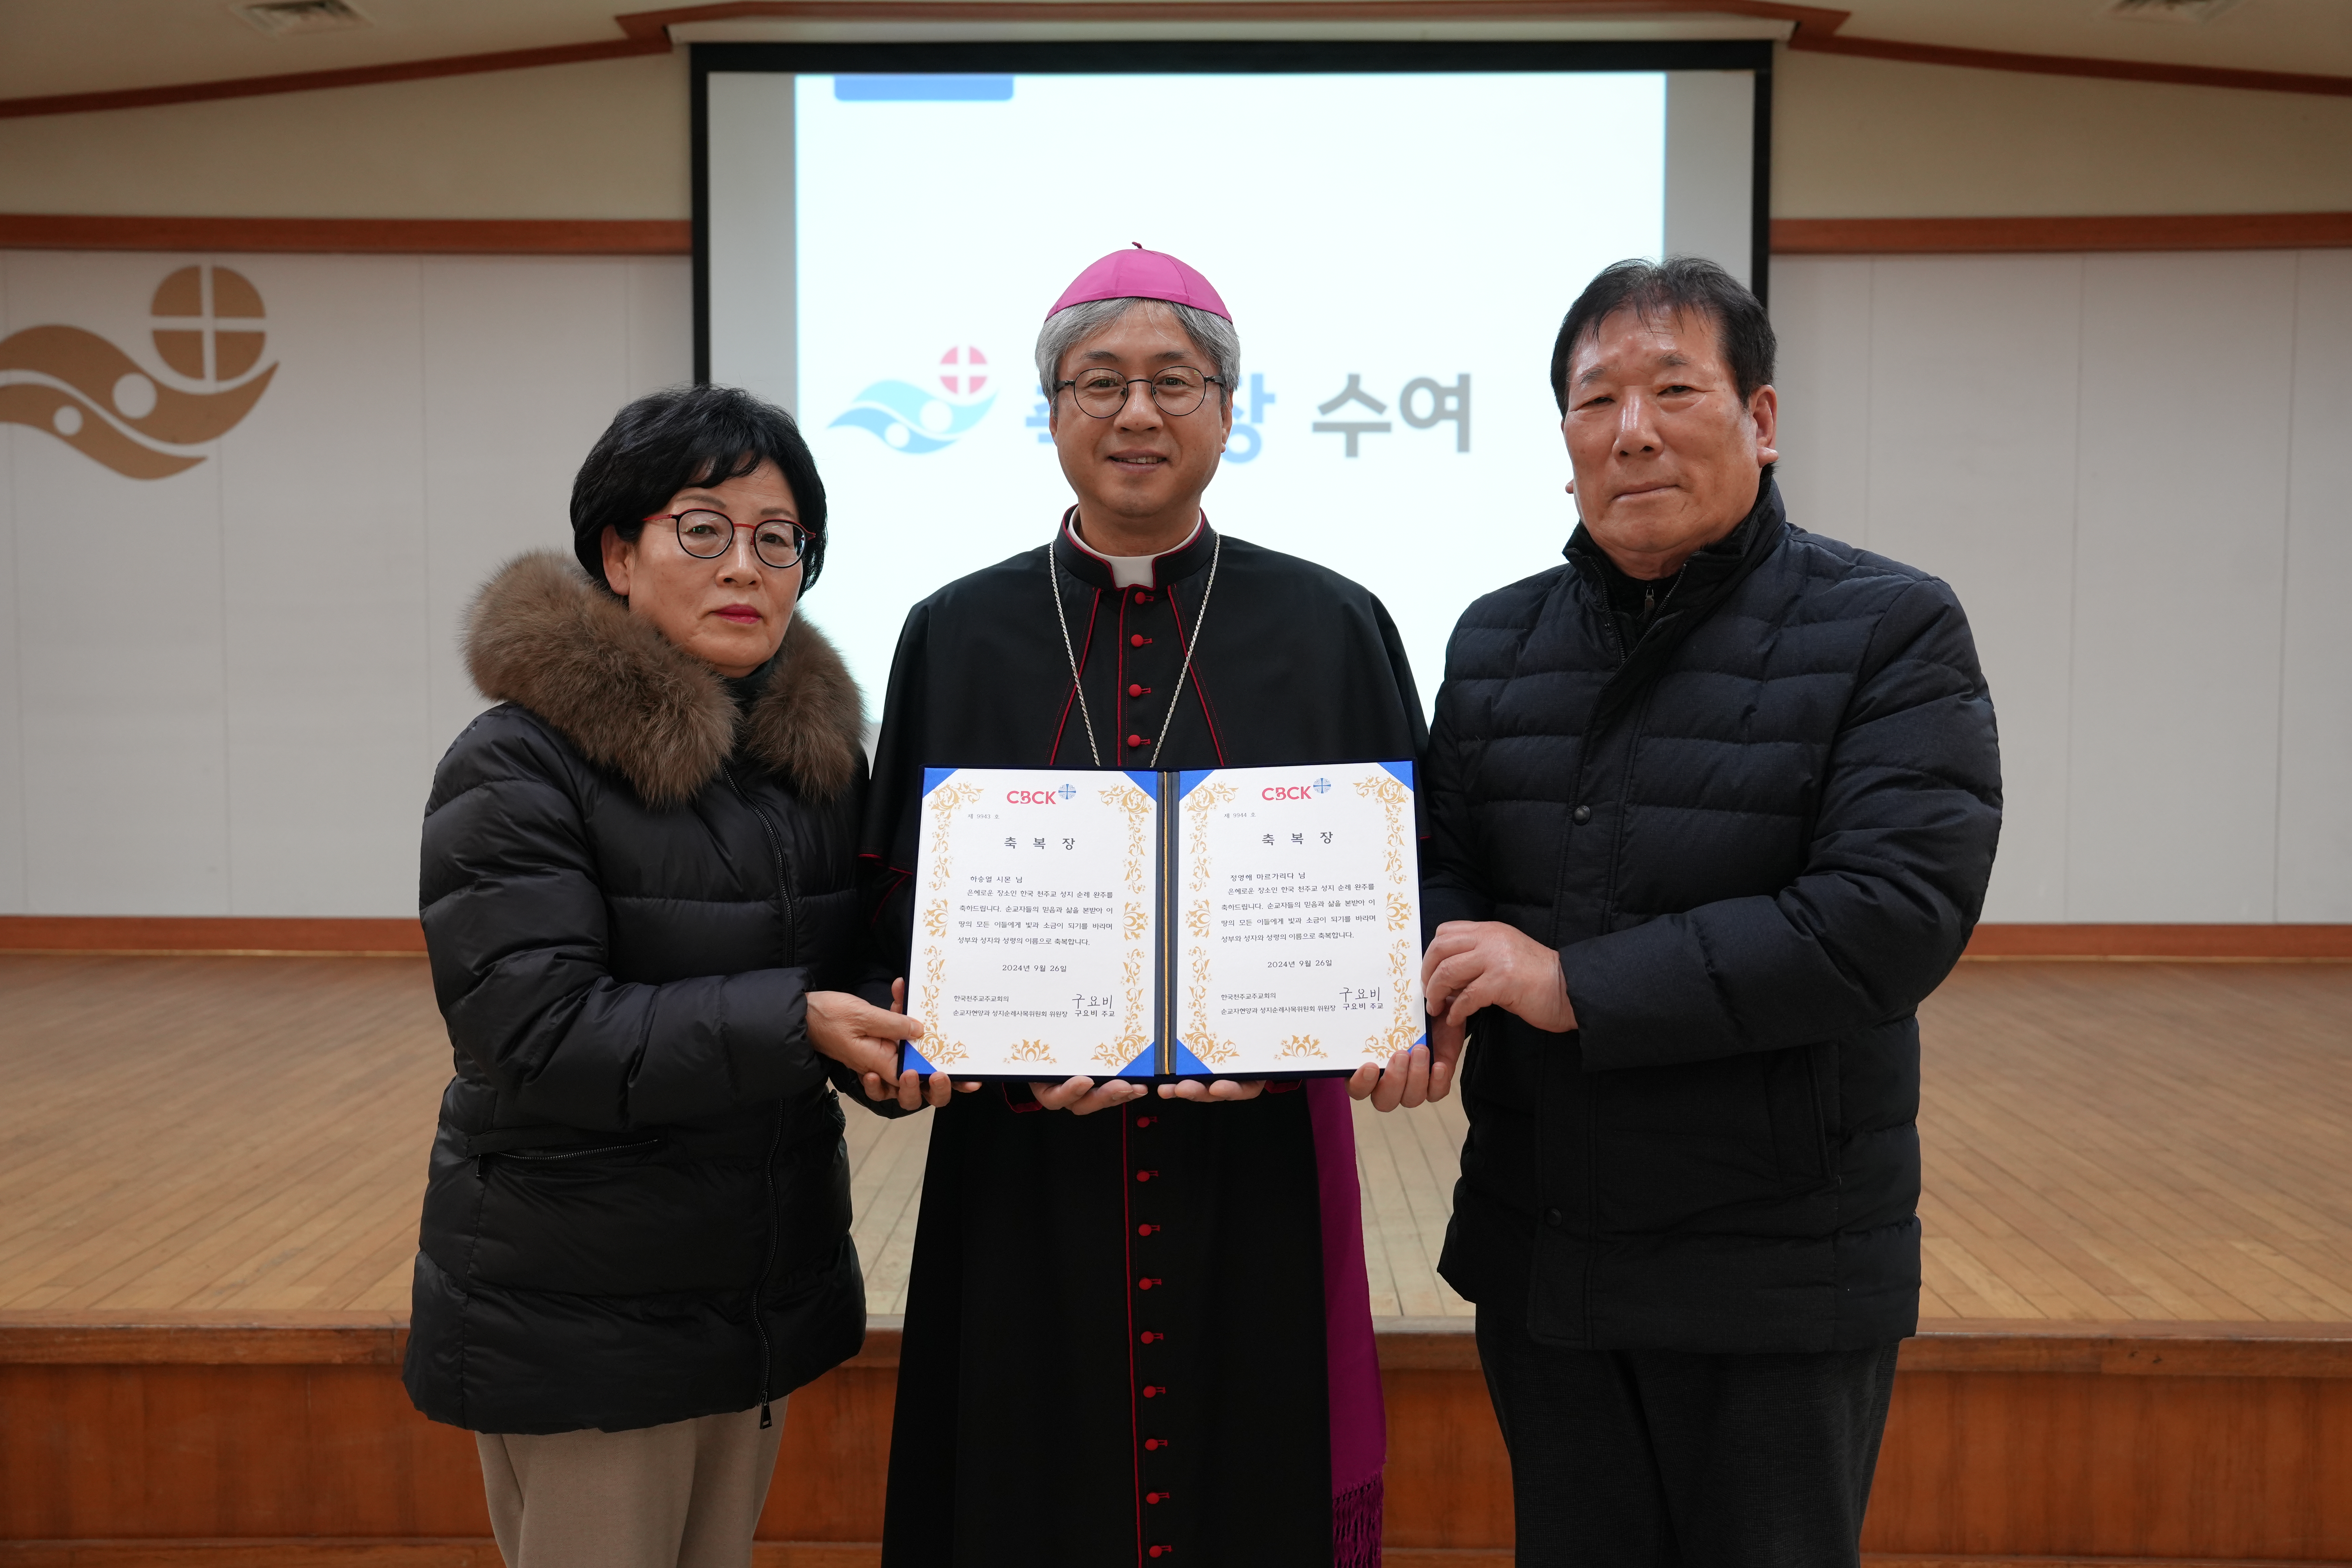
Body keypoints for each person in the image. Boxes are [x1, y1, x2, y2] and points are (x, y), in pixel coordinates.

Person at [1416, 257, 2001, 1565]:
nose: (1631, 429)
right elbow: (1440, 867)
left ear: (1764, 419)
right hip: (1545, 1247)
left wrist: (1575, 984)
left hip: (1778, 1264)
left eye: (1674, 389)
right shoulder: (1496, 641)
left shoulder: (1890, 627)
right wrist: (1421, 984)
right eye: (1595, 399)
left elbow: (1888, 915)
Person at [861, 247, 1428, 1567]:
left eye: (1174, 380)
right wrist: (948, 1040)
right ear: (1050, 408)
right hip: (1023, 1169)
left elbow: (1409, 894)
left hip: (1264, 1164)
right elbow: (888, 911)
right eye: (1098, 380)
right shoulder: (956, 631)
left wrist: (1395, 1025)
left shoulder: (1337, 625)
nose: (1136, 411)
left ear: (1229, 408)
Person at [402, 384, 927, 1568]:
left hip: (747, 1292)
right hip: (582, 1311)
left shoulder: (810, 765)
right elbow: (535, 1032)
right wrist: (800, 1027)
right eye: (704, 528)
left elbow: (844, 984)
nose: (746, 566)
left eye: (779, 539)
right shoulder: (517, 764)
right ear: (618, 555)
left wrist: (905, 1043)